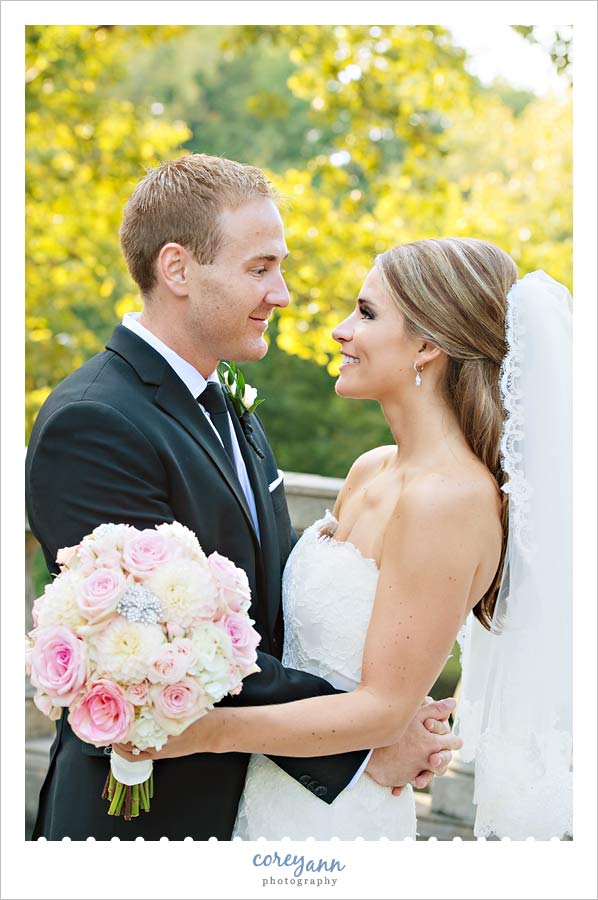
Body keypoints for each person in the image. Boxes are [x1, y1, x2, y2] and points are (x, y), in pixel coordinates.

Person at [25, 155, 460, 841]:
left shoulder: (228, 403)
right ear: (177, 270)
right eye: (260, 268)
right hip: (143, 819)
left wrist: (383, 699)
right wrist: (367, 732)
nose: (281, 293)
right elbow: (165, 650)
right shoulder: (95, 422)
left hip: (253, 808)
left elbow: (266, 613)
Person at [116, 238, 573, 841]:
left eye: (366, 313)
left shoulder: (450, 500)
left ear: (429, 345)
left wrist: (198, 731)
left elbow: (382, 707)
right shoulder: (370, 469)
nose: (339, 330)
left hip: (338, 823)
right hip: (269, 788)